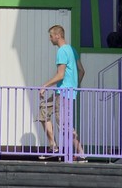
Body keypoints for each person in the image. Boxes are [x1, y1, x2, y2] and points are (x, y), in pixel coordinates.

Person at [38, 24, 85, 160]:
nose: (50, 39)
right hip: (63, 92)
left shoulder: (62, 51)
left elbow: (60, 75)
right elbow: (82, 71)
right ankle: (53, 146)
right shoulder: (72, 50)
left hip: (63, 93)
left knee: (64, 125)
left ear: (57, 36)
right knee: (43, 110)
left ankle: (80, 153)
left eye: (51, 36)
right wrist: (74, 86)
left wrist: (45, 86)